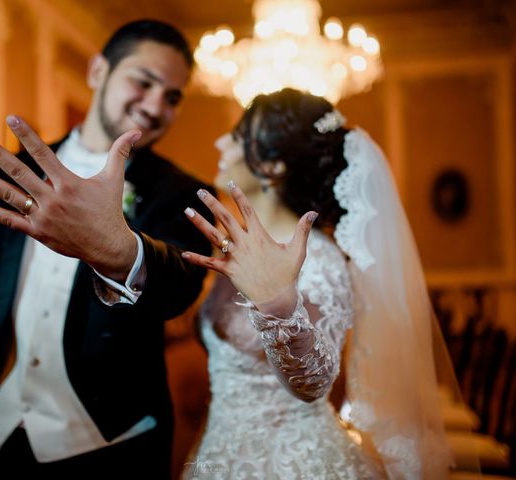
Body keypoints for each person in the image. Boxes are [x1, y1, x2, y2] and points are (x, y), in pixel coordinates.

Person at [0, 20, 214, 480]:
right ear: (97, 72)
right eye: (143, 81)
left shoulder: (183, 193)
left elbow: (177, 287)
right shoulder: (14, 172)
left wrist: (117, 249)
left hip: (108, 444)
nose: (155, 106)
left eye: (172, 96)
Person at [178, 88, 456, 479]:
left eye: (239, 137)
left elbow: (315, 382)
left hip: (294, 463)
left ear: (273, 166)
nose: (221, 142)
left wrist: (277, 306)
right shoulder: (239, 251)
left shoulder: (319, 259)